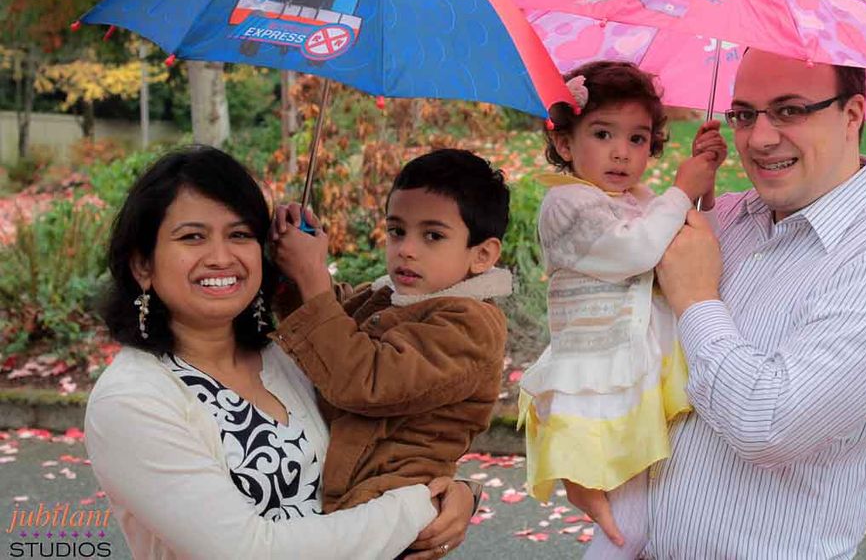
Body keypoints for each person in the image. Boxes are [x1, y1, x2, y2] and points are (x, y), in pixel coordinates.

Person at [567, 49, 866, 558]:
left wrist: (698, 301)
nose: (760, 138)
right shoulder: (723, 219)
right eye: (745, 114)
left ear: (853, 114)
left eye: (789, 110)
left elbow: (767, 426)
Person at [85, 146, 474, 560]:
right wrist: (417, 507)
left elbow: (381, 443)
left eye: (240, 235)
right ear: (143, 265)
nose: (221, 258)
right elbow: (249, 552)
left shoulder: (287, 357)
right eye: (192, 237)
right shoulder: (132, 400)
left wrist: (458, 493)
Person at [517, 61, 726, 558]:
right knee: (623, 523)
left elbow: (682, 237)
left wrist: (703, 182)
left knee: (648, 511)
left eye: (637, 139)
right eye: (603, 133)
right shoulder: (566, 204)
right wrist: (680, 190)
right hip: (597, 377)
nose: (621, 151)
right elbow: (636, 251)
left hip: (642, 369)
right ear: (565, 144)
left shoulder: (638, 198)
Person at [269, 150, 509, 521]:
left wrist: (312, 275)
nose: (406, 250)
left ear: (482, 255)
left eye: (432, 236)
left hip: (390, 501)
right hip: (356, 495)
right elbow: (338, 321)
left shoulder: (470, 325)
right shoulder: (388, 295)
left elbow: (365, 379)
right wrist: (294, 272)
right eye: (397, 231)